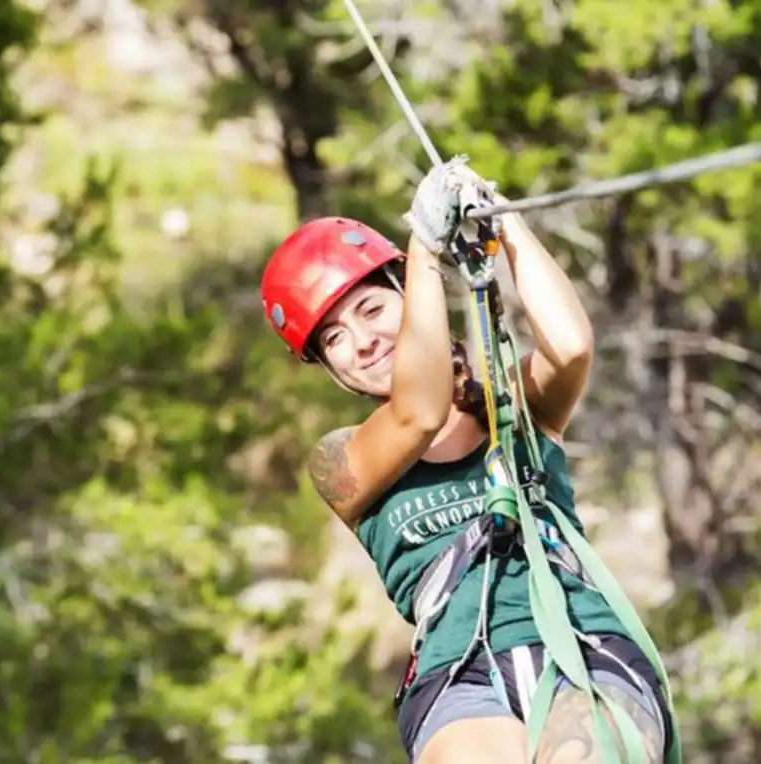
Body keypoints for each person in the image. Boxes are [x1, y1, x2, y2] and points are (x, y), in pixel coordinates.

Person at [260, 159, 674, 764]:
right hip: (462, 675)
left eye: (371, 311)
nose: (363, 341)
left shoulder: (511, 404)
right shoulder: (340, 460)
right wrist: (425, 249)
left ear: (407, 296)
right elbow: (419, 411)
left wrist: (502, 222)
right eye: (335, 339)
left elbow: (571, 345)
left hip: (586, 646)